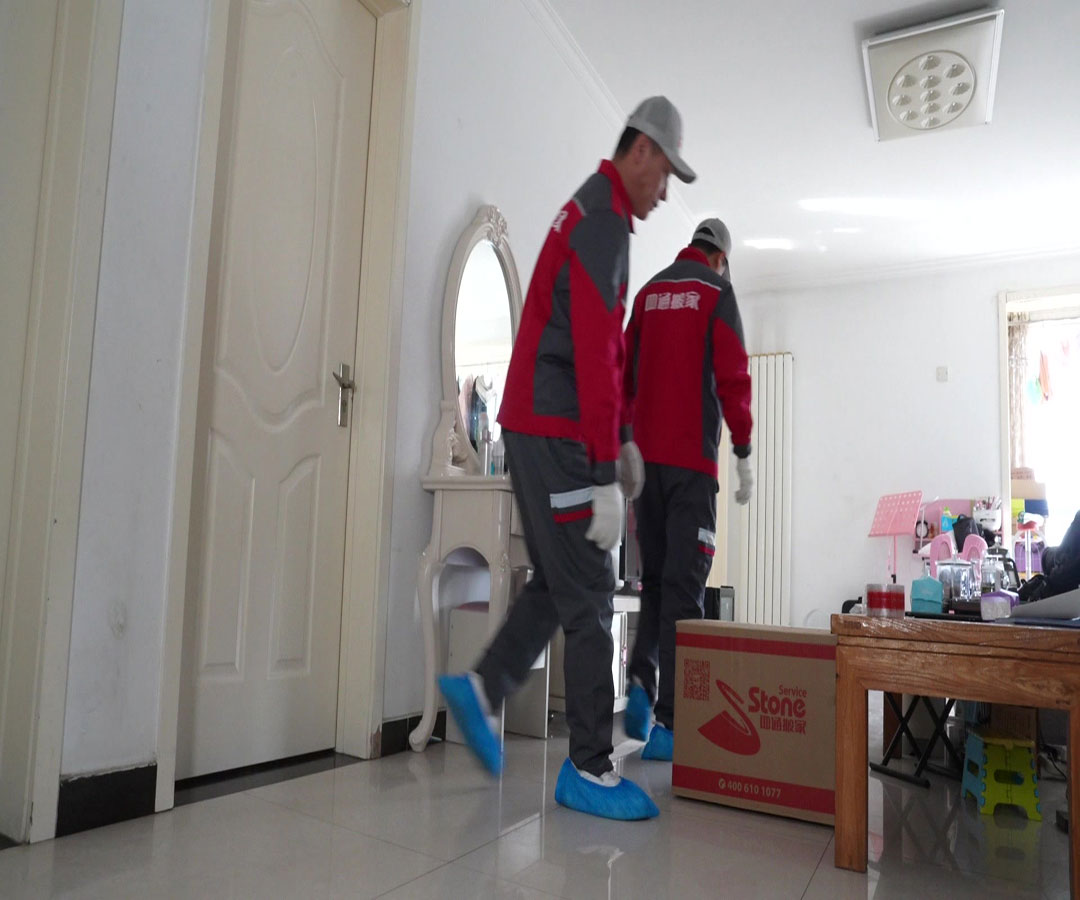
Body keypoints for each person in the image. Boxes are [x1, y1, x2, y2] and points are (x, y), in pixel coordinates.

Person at [438, 96, 696, 821]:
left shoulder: (589, 209)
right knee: (591, 589)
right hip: (555, 429)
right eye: (665, 173)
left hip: (535, 425)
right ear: (641, 151)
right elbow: (596, 344)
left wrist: (619, 439)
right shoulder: (603, 218)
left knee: (558, 580)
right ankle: (588, 766)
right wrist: (606, 462)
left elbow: (593, 342)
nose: (664, 192)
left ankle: (483, 686)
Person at [620, 217, 753, 761]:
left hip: (645, 469)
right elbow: (734, 377)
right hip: (691, 469)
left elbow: (622, 375)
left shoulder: (649, 293)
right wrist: (743, 449)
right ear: (721, 258)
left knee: (653, 583)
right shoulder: (717, 293)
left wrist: (624, 442)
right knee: (684, 592)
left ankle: (639, 686)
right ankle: (670, 726)